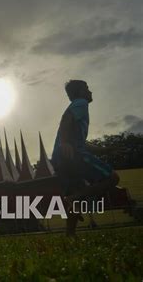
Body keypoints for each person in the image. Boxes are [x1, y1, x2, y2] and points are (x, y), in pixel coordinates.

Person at [51, 80, 120, 237]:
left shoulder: (78, 107)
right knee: (112, 178)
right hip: (73, 155)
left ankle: (70, 235)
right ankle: (72, 198)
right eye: (87, 88)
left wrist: (105, 149)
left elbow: (82, 142)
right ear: (80, 92)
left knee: (77, 196)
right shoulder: (80, 103)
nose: (90, 92)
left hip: (60, 158)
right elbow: (65, 120)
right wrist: (64, 143)